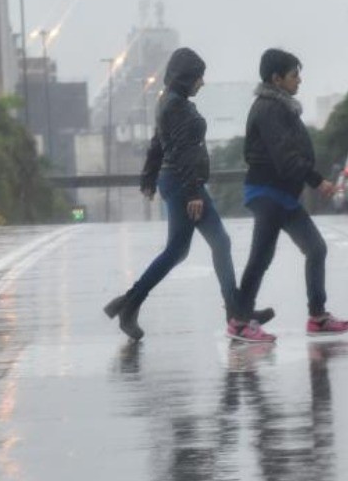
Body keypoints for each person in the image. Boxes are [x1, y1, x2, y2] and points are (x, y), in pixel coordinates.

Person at [104, 47, 273, 341]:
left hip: (177, 181)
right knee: (207, 244)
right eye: (199, 77)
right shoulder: (175, 105)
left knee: (188, 249)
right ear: (185, 77)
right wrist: (194, 192)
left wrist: (148, 177)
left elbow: (159, 143)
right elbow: (181, 151)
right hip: (184, 184)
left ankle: (130, 304)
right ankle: (235, 312)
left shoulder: (168, 101)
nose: (202, 83)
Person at [234, 48, 348, 341]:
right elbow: (285, 156)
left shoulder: (282, 106)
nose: (299, 80)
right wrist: (318, 181)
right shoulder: (269, 109)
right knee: (260, 258)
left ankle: (318, 317)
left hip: (283, 195)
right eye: (294, 75)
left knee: (315, 249)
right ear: (276, 79)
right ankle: (239, 321)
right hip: (268, 193)